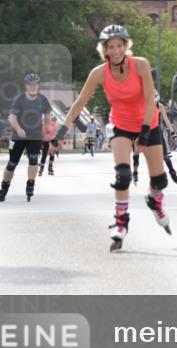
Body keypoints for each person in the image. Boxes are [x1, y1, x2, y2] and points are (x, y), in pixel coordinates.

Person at [50, 25, 170, 251]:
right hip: (121, 125)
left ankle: (154, 199)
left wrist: (144, 135)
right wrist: (58, 135)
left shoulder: (141, 65)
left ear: (126, 46)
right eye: (110, 47)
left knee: (160, 181)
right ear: (104, 50)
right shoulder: (99, 73)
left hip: (148, 123)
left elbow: (148, 101)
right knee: (123, 174)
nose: (115, 51)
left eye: (119, 46)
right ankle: (121, 222)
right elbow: (78, 105)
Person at [0, 73, 51, 202]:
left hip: (35, 136)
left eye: (35, 84)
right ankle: (4, 188)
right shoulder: (19, 99)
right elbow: (12, 117)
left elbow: (47, 114)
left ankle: (30, 184)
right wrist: (19, 129)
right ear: (26, 86)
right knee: (12, 163)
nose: (33, 87)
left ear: (38, 86)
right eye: (31, 85)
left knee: (33, 159)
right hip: (18, 136)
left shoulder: (42, 99)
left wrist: (47, 127)